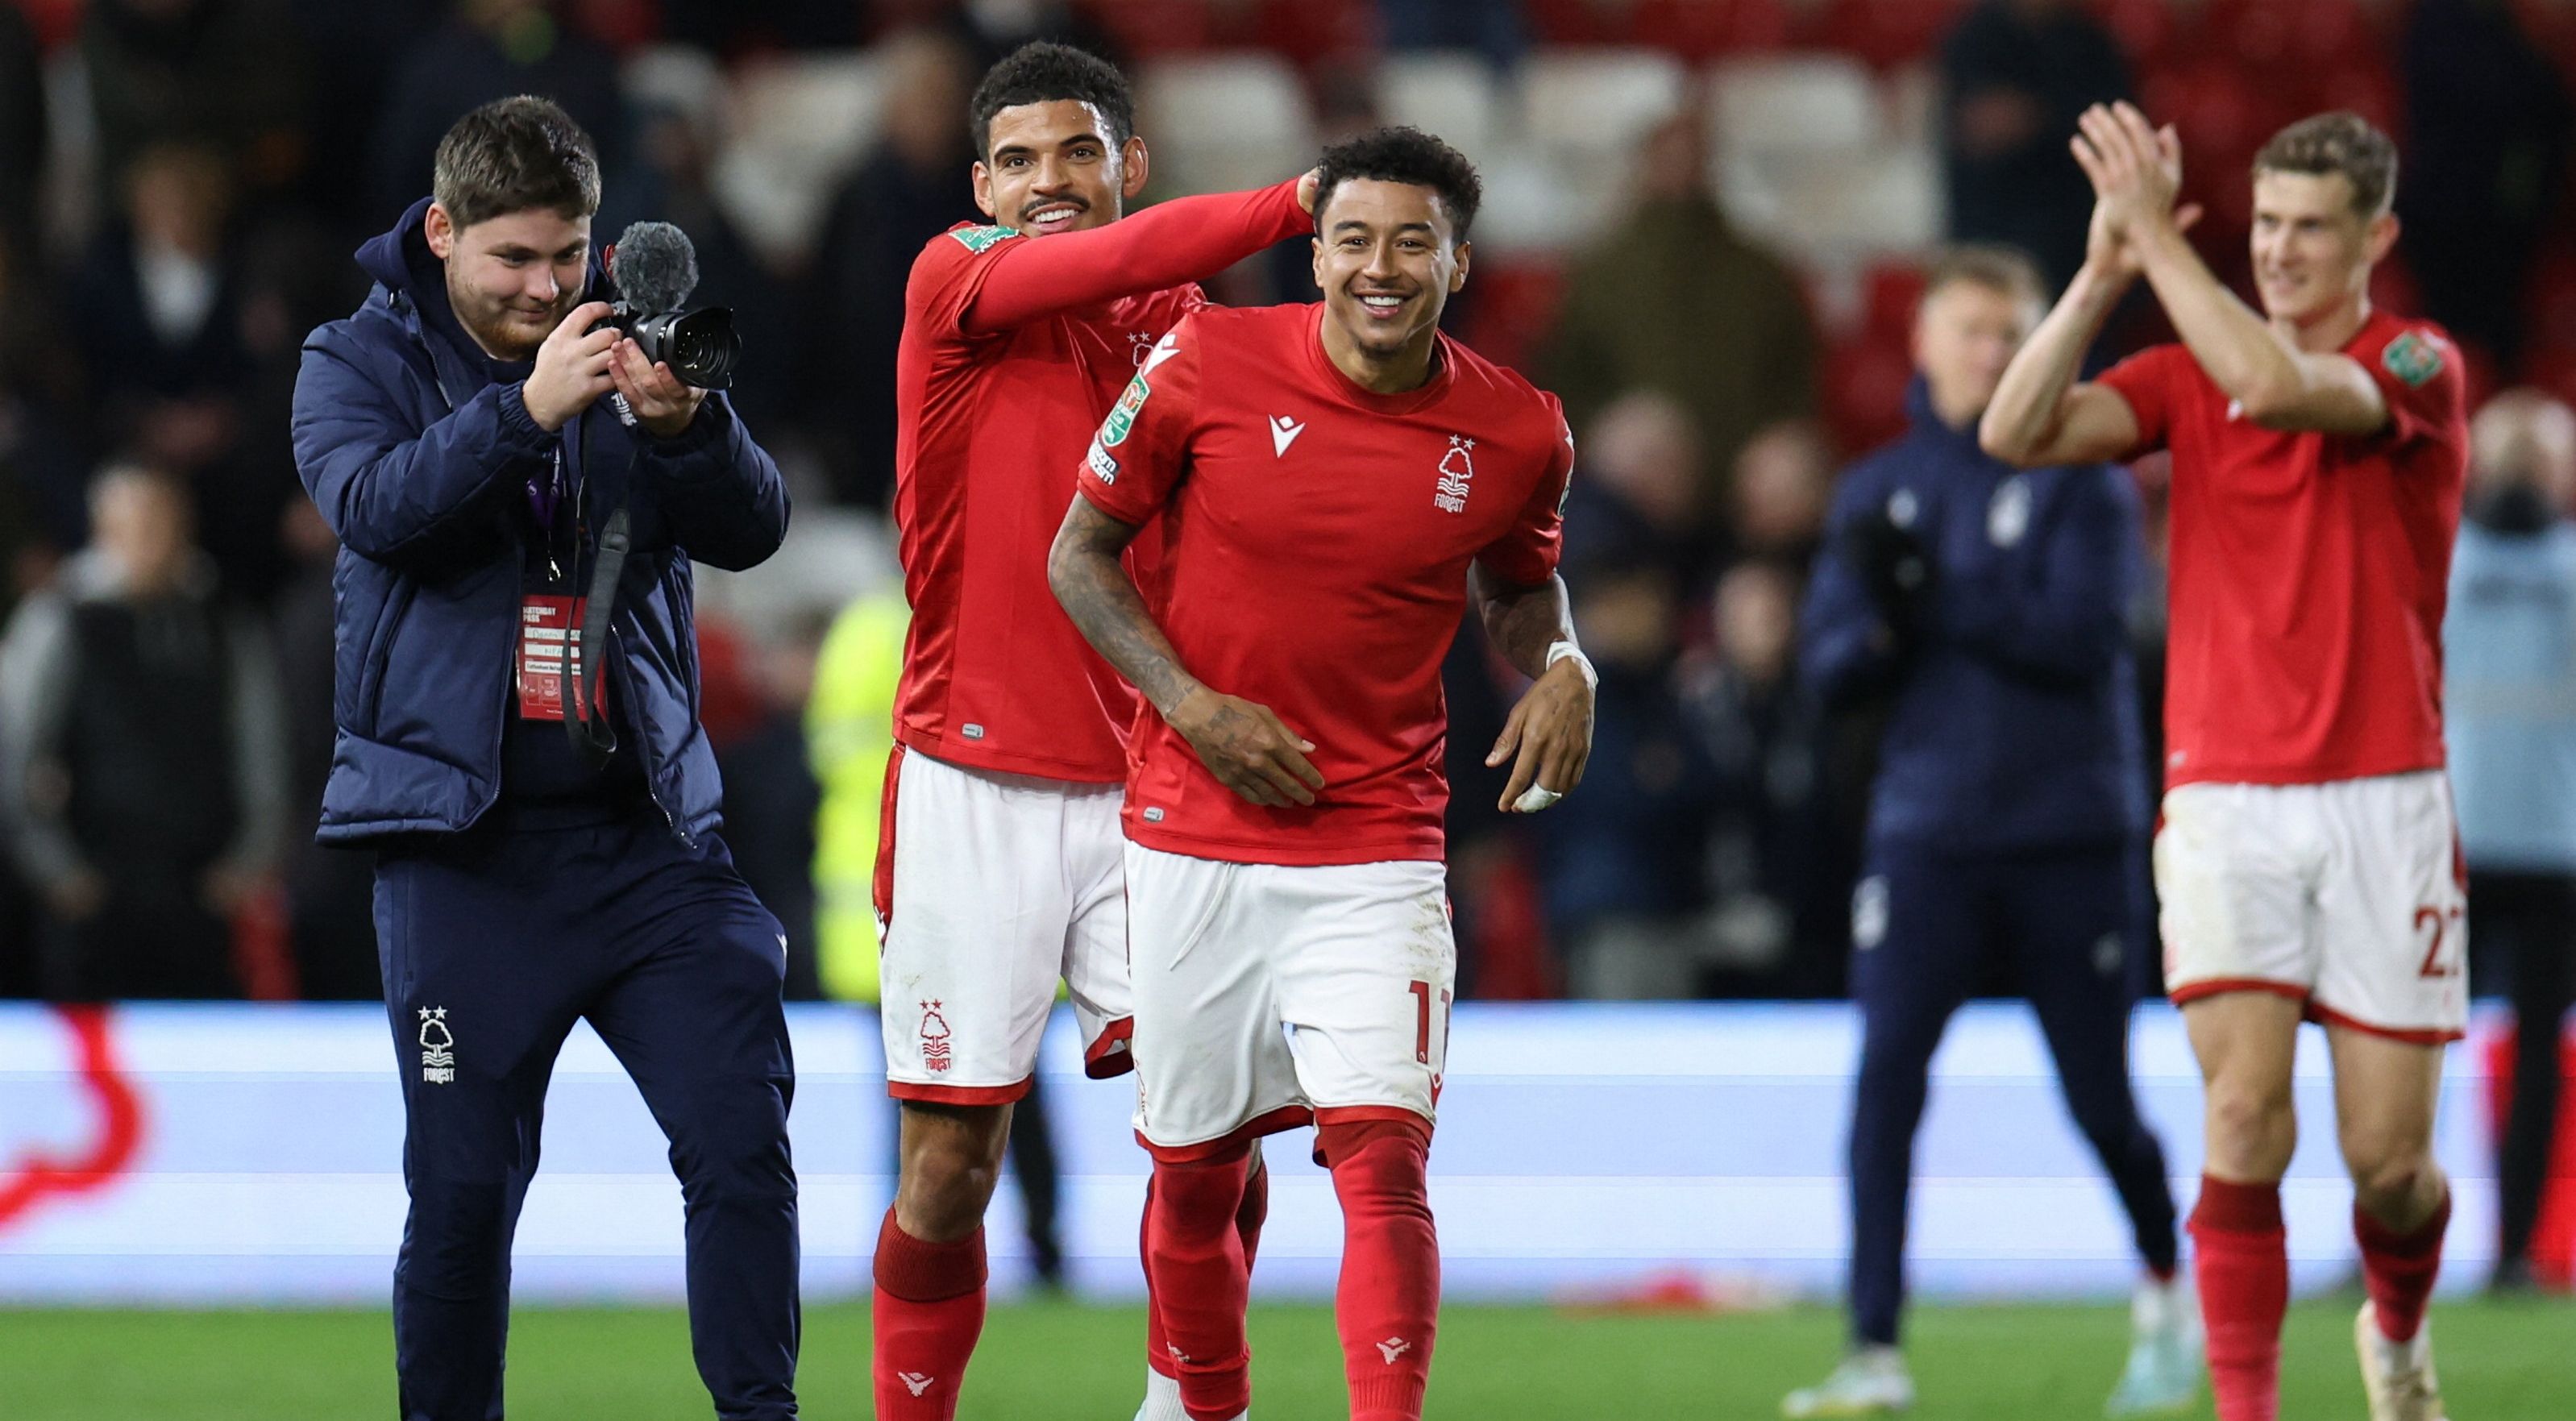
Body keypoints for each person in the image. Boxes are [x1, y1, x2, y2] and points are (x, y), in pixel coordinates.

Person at [1049, 125, 1593, 1421]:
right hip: (1194, 828)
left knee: (1384, 1162)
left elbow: (1520, 587)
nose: (1380, 266)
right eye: (1354, 238)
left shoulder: (1520, 433)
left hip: (1380, 845)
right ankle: (1209, 1404)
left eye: (1414, 241)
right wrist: (1192, 703)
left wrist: (1566, 658)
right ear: (1316, 249)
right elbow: (1081, 554)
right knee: (1192, 1170)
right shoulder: (1210, 359)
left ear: (1458, 263)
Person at [289, 98, 796, 1420]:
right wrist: (523, 409)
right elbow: (374, 508)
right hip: (465, 852)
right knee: (462, 1192)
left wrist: (687, 424)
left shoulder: (623, 343)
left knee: (741, 1145)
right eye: (514, 259)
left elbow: (752, 530)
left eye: (568, 255)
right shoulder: (355, 360)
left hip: (648, 845)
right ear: (443, 233)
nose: (546, 286)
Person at [1984, 106, 2470, 1421]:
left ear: (2378, 237)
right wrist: (2101, 272)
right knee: (2244, 1117)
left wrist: (2163, 246)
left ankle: (2399, 1330)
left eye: (2311, 227)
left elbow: (2278, 385)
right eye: (2262, 223)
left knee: (2390, 1163)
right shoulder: (2185, 371)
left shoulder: (2416, 361)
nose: (2281, 249)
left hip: (2385, 793)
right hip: (2223, 795)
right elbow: (2012, 433)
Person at [868, 42, 1319, 1421]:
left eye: (1077, 154)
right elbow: (1115, 259)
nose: (1046, 184)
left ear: (1131, 165)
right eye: (1016, 159)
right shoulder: (957, 281)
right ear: (980, 186)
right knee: (951, 1167)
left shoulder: (1202, 340)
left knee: (1215, 1151)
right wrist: (1304, 198)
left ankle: (1183, 1402)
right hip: (970, 781)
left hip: (1153, 789)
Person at [1789, 245, 2193, 1418]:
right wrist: (1885, 632)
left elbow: (2085, 633)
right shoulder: (1877, 489)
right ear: (1919, 344)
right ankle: (1874, 1347)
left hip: (2070, 828)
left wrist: (1934, 600)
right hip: (1926, 834)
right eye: (1970, 329)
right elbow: (1827, 667)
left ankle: (2168, 1286)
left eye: (2010, 330)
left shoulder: (2085, 475)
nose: (1992, 351)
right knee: (1885, 1086)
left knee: (2099, 1097)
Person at [0, 463, 286, 1002]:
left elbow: (260, 747)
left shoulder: (221, 620)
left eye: (164, 522)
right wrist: (58, 871)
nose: (152, 539)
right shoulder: (61, 618)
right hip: (93, 886)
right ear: (104, 530)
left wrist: (248, 861)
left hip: (200, 886)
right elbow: (18, 750)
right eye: (135, 525)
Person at [2442, 388, 2576, 1292]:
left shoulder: (2438, 564)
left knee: (2404, 1053)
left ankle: (2391, 1242)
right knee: (2532, 1062)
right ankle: (2513, 1253)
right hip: (2554, 845)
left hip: (2446, 840)